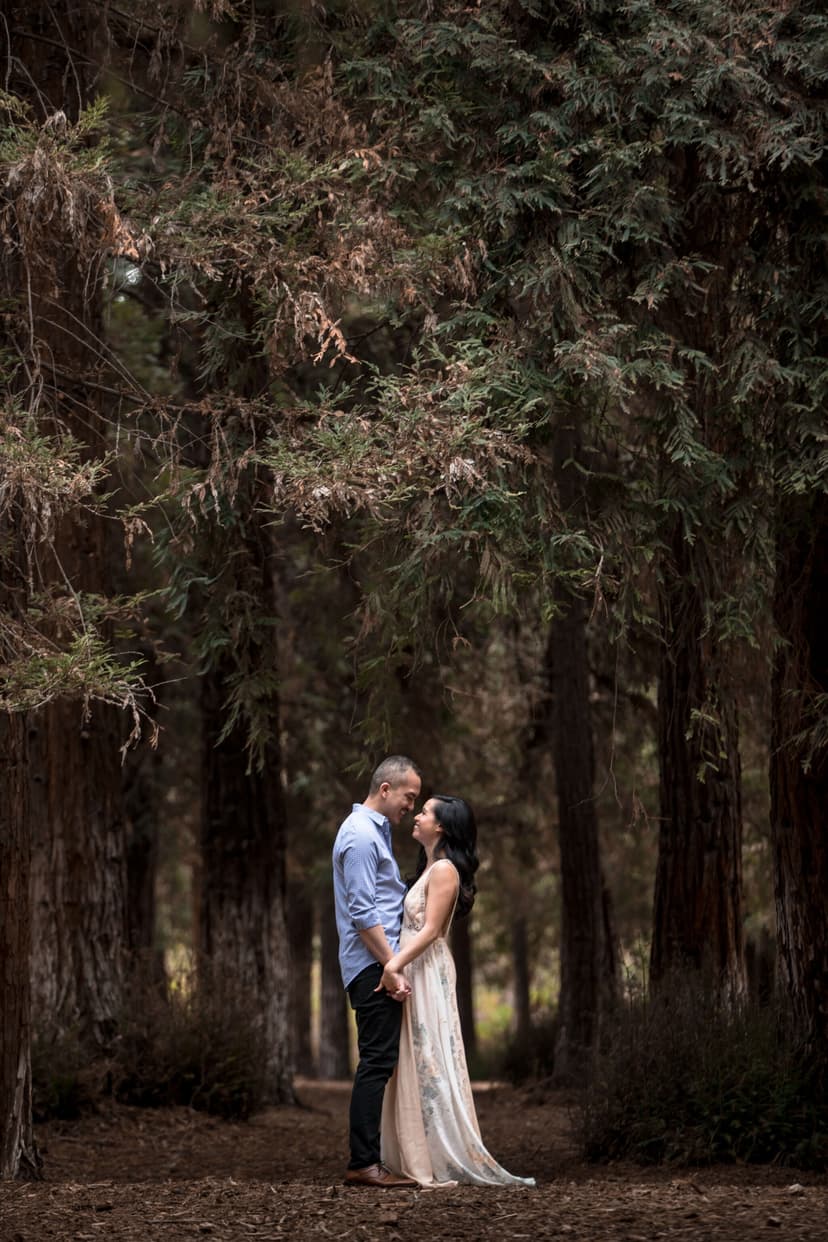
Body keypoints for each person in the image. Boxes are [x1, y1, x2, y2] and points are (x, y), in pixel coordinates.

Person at [378, 795, 536, 1188]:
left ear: (443, 826)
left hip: (426, 969)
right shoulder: (430, 867)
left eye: (425, 812)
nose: (417, 815)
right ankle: (414, 1149)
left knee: (429, 1054)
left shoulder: (445, 869)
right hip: (415, 964)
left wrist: (394, 964)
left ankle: (440, 1150)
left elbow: (431, 930)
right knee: (413, 1055)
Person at [332, 755, 423, 1188]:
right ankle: (363, 1162)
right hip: (372, 965)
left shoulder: (372, 834)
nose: (411, 806)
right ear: (385, 789)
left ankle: (370, 1159)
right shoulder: (361, 837)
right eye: (409, 796)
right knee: (376, 1061)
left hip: (377, 963)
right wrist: (390, 965)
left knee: (379, 1060)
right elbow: (362, 912)